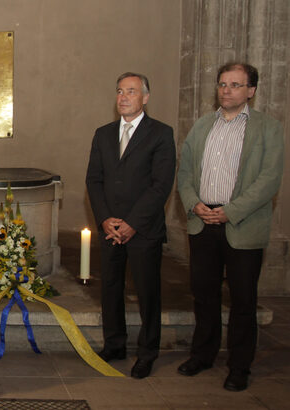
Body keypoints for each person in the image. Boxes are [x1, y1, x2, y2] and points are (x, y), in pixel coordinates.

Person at [177, 62, 284, 392]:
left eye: (235, 85)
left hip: (242, 224)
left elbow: (269, 180)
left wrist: (230, 211)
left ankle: (239, 366)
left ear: (251, 91)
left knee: (242, 301)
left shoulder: (267, 128)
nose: (226, 90)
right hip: (202, 222)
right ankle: (203, 354)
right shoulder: (202, 126)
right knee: (204, 296)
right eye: (223, 84)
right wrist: (194, 203)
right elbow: (185, 171)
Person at [86, 72, 176, 379]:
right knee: (110, 289)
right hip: (110, 227)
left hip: (143, 229)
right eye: (120, 91)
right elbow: (94, 180)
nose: (124, 97)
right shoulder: (103, 133)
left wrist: (133, 223)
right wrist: (105, 218)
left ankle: (147, 352)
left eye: (132, 92)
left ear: (146, 98)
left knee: (147, 292)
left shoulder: (161, 134)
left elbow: (160, 185)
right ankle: (115, 345)